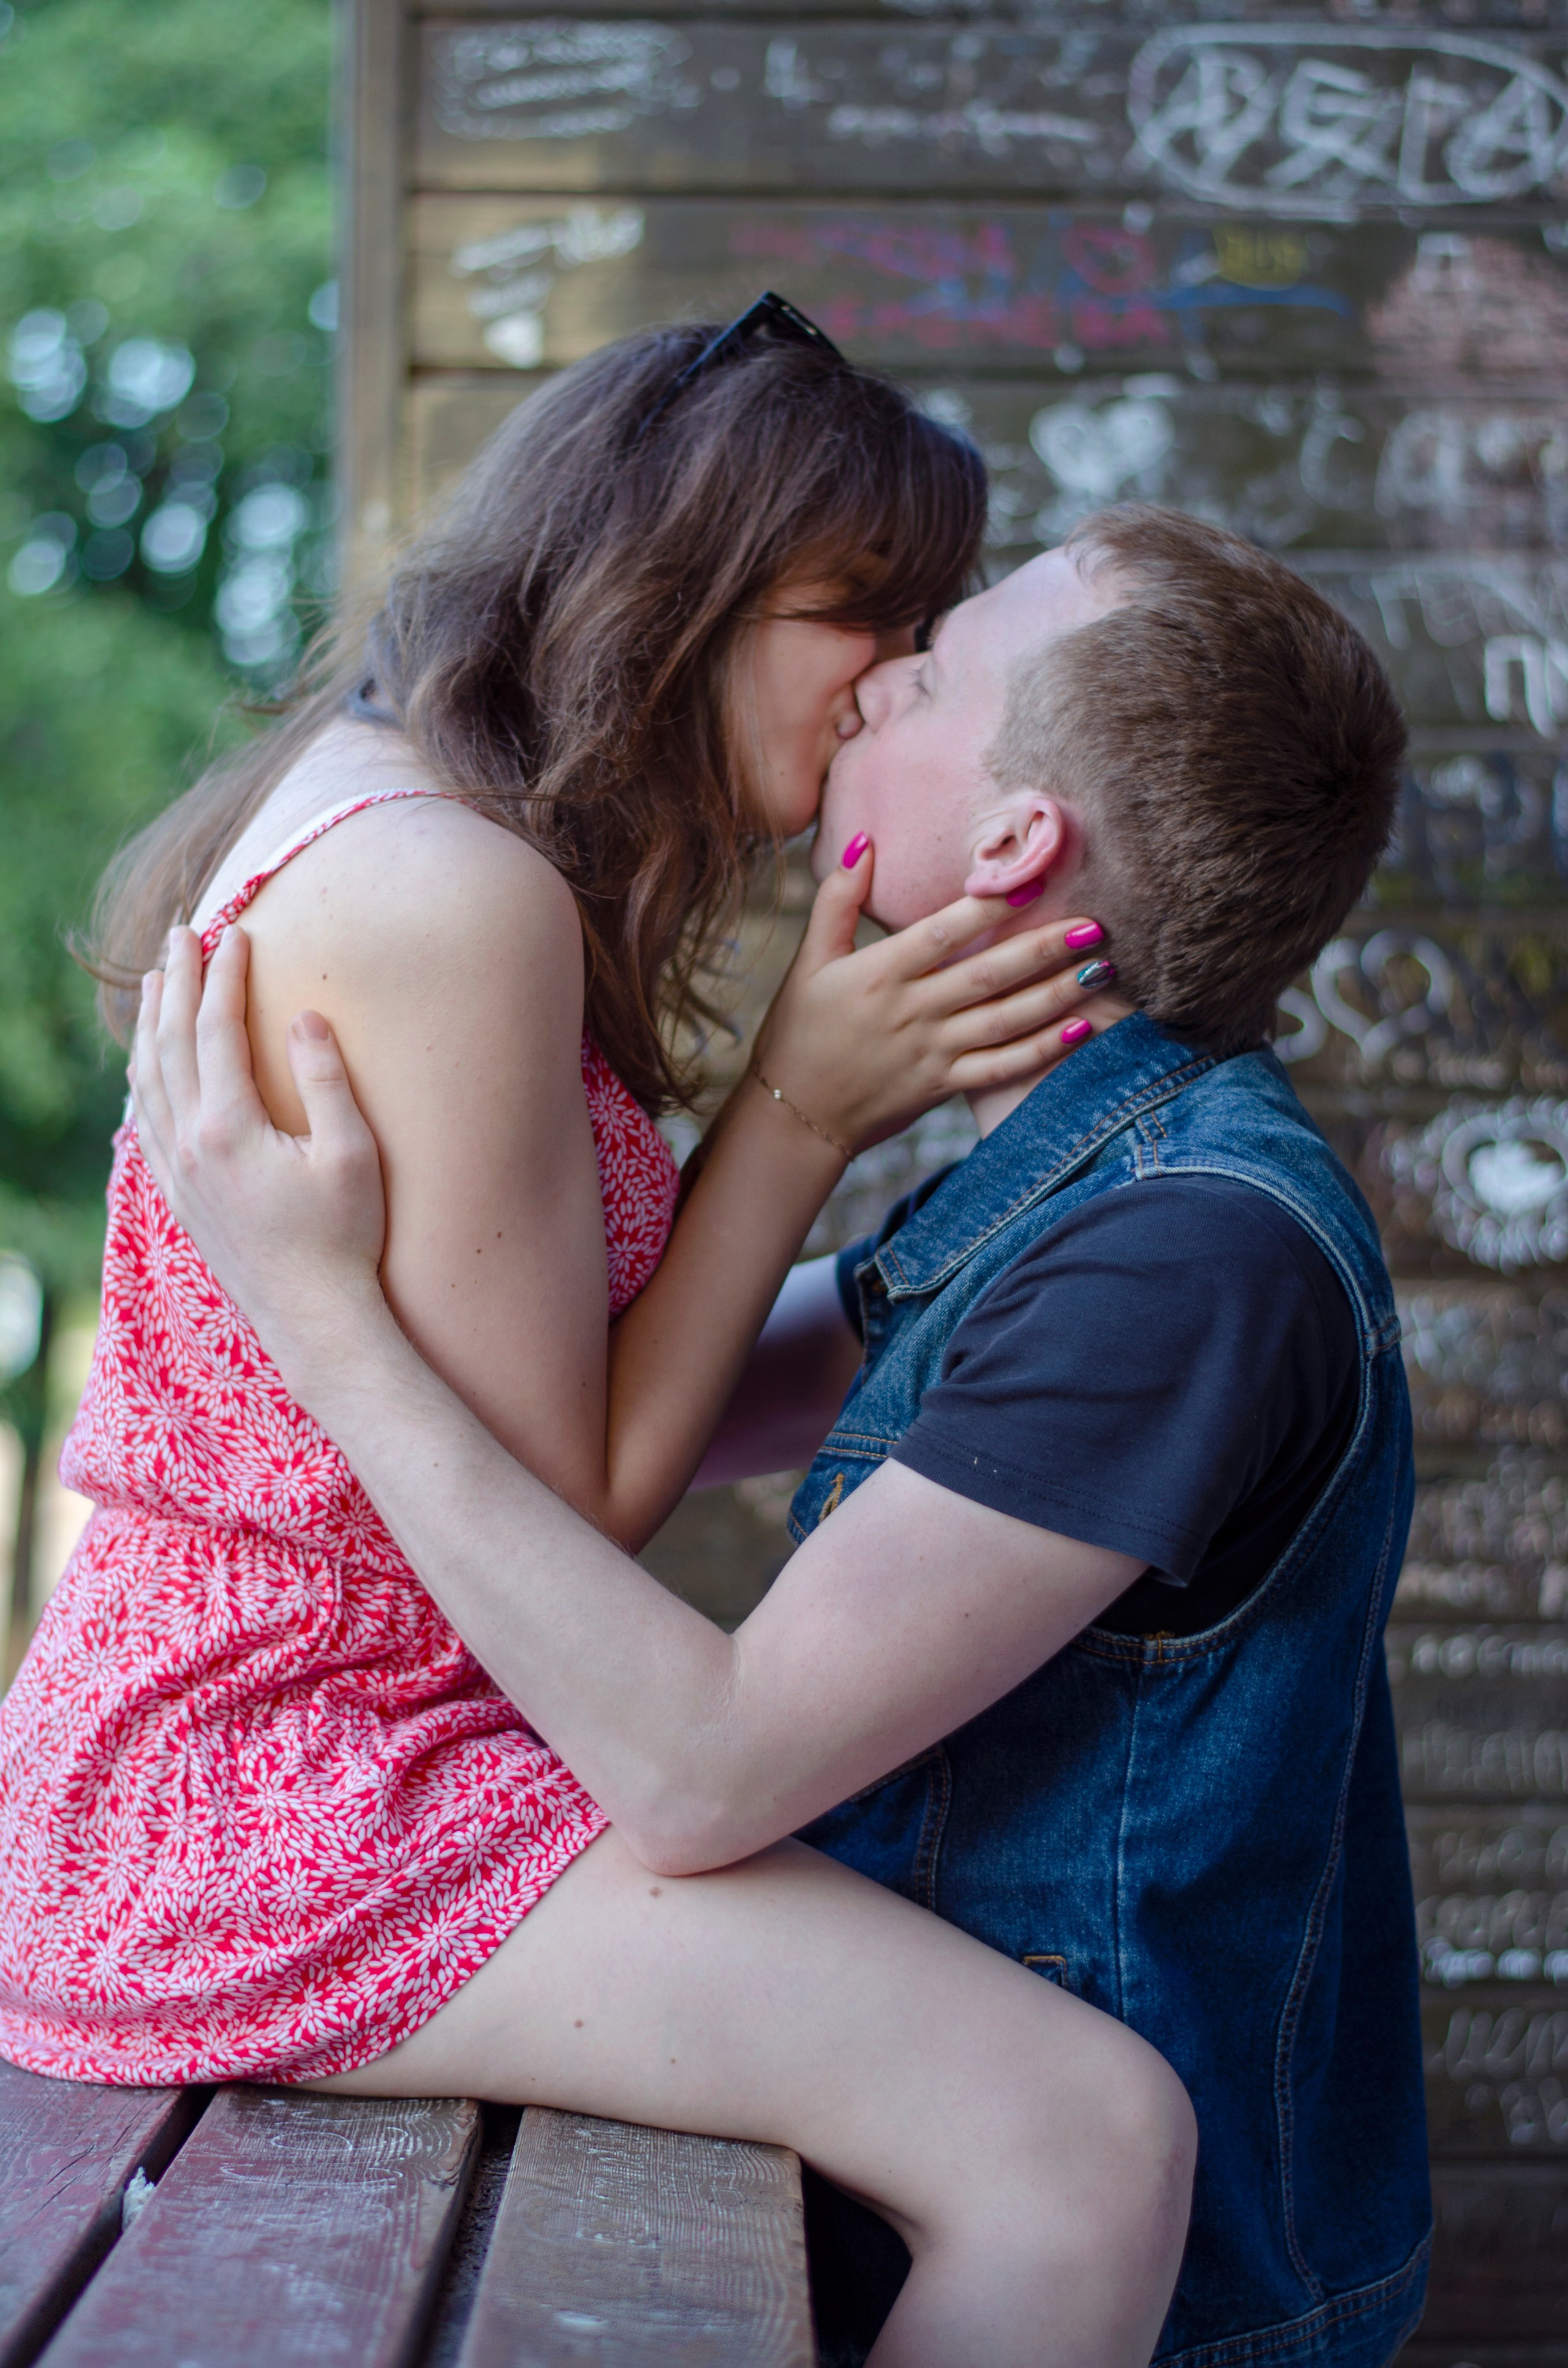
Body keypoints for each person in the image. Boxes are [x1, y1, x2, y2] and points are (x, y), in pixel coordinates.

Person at [129, 503, 1433, 2368]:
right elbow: (601, 1413)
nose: (867, 690)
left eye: (926, 674)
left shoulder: (1182, 1260)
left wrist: (317, 1308)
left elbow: (702, 1769)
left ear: (1015, 841)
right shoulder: (1087, 1186)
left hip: (1154, 2300)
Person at [0, 316, 1184, 2368]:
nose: (891, 676)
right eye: (860, 610)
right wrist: (798, 1114)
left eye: (927, 633)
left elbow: (550, 1403)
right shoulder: (455, 893)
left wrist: (974, 1296)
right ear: (681, 586)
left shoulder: (408, 813)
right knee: (1081, 2141)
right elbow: (570, 1505)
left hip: (283, 1753)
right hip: (273, 1793)